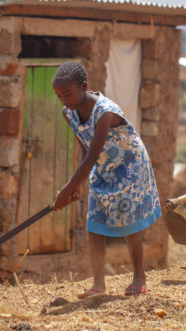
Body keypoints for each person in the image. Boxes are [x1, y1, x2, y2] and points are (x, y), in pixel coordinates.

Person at [52, 62, 161, 298]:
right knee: (95, 223)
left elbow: (92, 155)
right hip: (103, 166)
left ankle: (139, 277)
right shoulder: (68, 113)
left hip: (129, 165)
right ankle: (98, 284)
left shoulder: (104, 112)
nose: (64, 100)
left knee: (129, 221)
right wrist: (79, 184)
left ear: (84, 86)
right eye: (59, 96)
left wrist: (68, 187)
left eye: (68, 94)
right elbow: (85, 150)